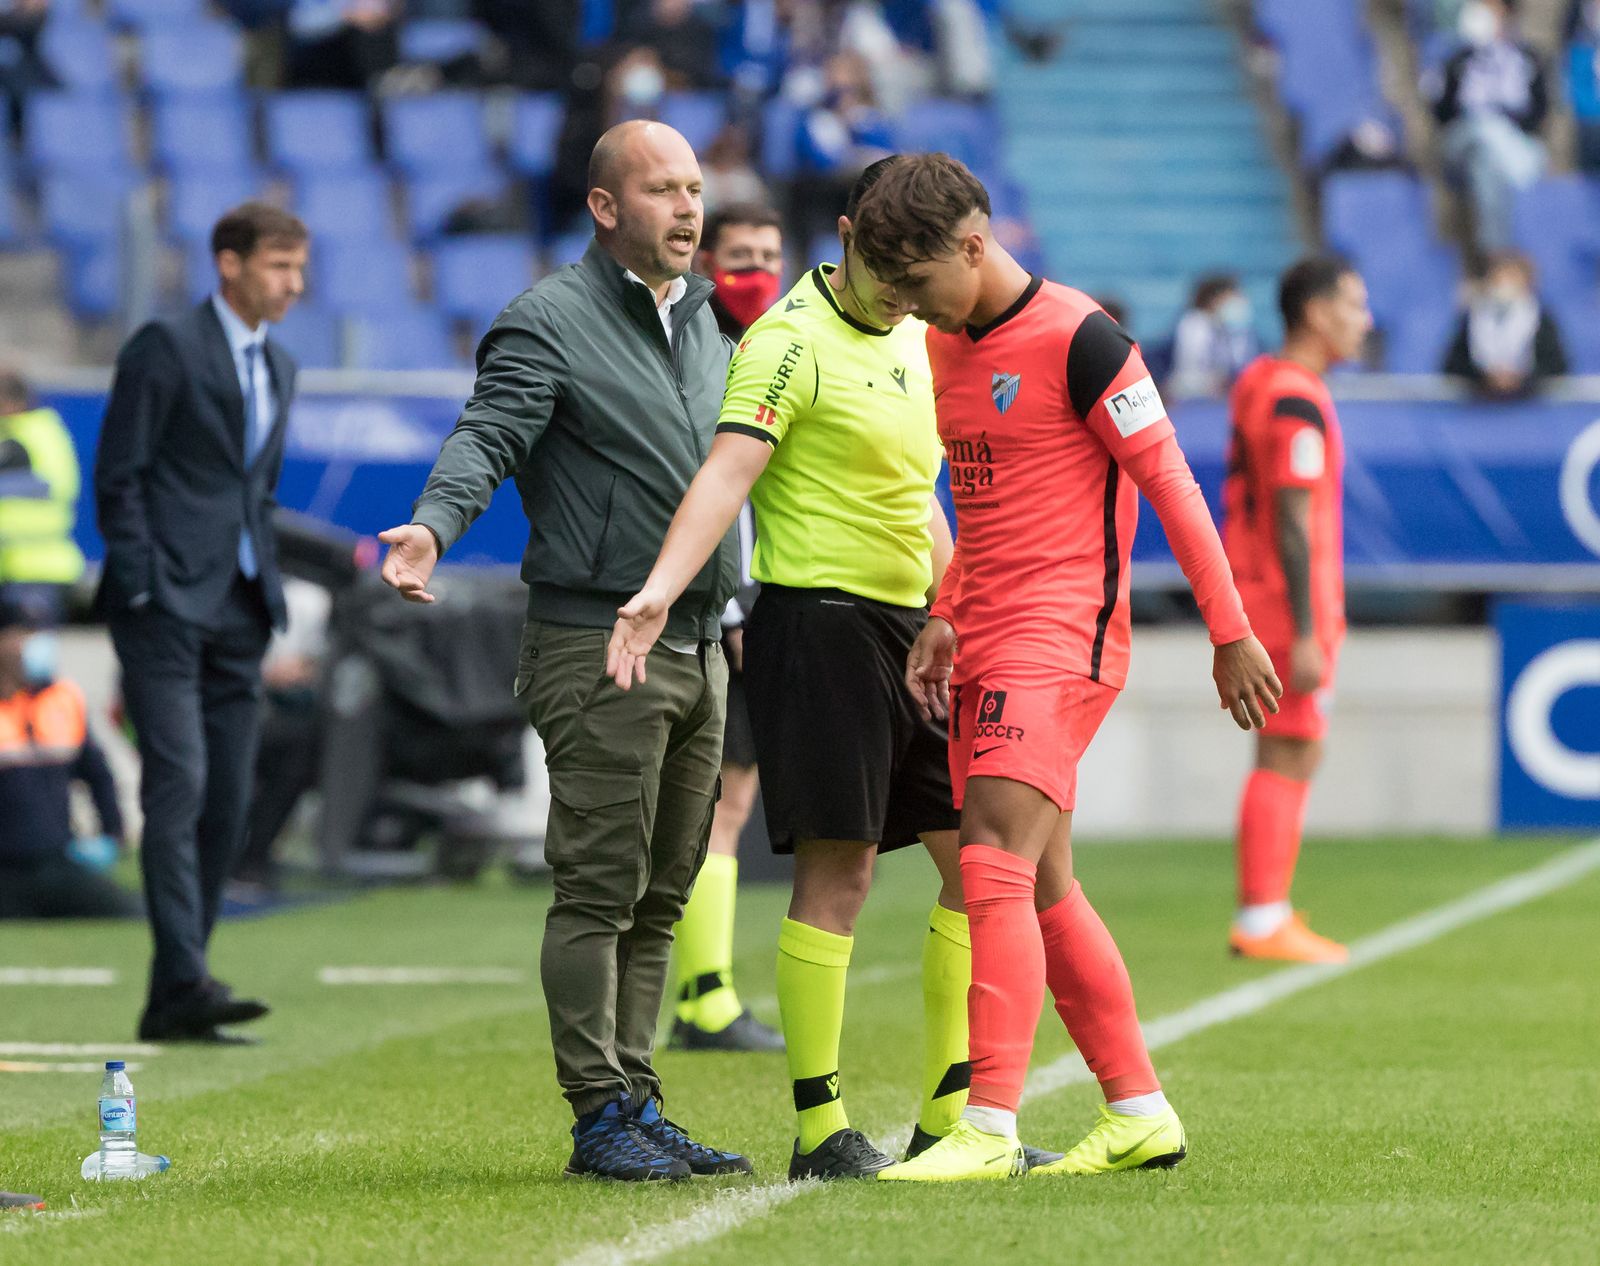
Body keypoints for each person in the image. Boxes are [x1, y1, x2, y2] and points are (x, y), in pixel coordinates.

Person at [607, 159, 1061, 1181]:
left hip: (919, 632)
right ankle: (822, 1128)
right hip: (817, 627)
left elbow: (920, 502)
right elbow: (726, 471)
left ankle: (952, 1117)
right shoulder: (783, 340)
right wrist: (658, 589)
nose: (905, 289)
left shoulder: (918, 336)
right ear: (849, 235)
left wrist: (964, 609)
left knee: (974, 866)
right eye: (888, 266)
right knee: (840, 871)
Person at [844, 153, 1280, 1182]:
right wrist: (946, 615)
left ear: (972, 245)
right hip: (988, 632)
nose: (908, 305)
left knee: (991, 852)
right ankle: (1137, 1110)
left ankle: (985, 1128)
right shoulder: (945, 344)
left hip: (1061, 637)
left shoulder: (1084, 341)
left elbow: (1170, 483)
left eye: (915, 282)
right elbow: (983, 506)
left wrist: (1230, 629)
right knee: (1042, 880)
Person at [380, 120, 750, 1184]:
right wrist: (434, 523)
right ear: (603, 208)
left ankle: (636, 1098)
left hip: (697, 643)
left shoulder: (710, 325)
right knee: (598, 890)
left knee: (663, 892)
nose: (688, 209)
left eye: (693, 189)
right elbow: (486, 436)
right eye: (663, 191)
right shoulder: (547, 321)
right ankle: (598, 1115)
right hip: (597, 642)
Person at [94, 202, 308, 1043]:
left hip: (241, 608)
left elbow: (256, 492)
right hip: (166, 606)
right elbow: (121, 474)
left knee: (228, 798)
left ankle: (176, 994)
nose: (294, 284)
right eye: (278, 266)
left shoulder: (282, 366)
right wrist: (144, 584)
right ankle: (187, 976)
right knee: (178, 786)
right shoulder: (165, 347)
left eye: (298, 268)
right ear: (230, 264)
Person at [1223, 257, 1372, 964]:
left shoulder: (1260, 379)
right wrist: (1309, 630)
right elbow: (1291, 514)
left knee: (1281, 749)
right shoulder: (1296, 397)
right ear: (1316, 311)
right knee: (1294, 748)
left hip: (1260, 596)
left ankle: (1264, 908)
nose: (1363, 319)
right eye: (1353, 303)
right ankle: (1262, 916)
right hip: (1286, 605)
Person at [667, 201, 787, 1054]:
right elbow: (711, 489)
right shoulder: (697, 348)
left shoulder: (769, 341)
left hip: (749, 605)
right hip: (715, 608)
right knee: (711, 803)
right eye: (741, 254)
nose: (757, 269)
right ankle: (700, 995)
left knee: (730, 799)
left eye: (769, 254)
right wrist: (740, 603)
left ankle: (704, 991)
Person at [0, 595, 141, 920]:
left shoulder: (61, 699)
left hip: (56, 863)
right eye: (23, 633)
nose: (34, 643)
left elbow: (97, 773)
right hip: (4, 868)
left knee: (132, 914)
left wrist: (112, 834)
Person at [1429, 0, 1549, 256]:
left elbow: (1540, 112)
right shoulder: (1458, 58)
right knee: (1482, 128)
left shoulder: (1528, 58)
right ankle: (1501, 262)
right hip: (1464, 139)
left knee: (1486, 166)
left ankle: (1494, 254)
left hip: (1511, 147)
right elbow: (1442, 115)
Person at [0, 367, 87, 627]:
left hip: (37, 567)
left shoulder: (34, 434)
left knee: (32, 659)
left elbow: (50, 485)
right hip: (15, 566)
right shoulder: (20, 433)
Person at [1442, 250, 1568, 397]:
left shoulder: (1541, 318)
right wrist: (1485, 377)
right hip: (1481, 406)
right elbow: (1452, 365)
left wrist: (1521, 378)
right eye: (1498, 277)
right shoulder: (1473, 316)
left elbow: (1556, 366)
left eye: (1512, 277)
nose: (1504, 283)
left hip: (1528, 407)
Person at [1167, 273, 1258, 400]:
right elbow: (1191, 368)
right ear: (1214, 299)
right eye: (1232, 296)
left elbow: (1242, 365)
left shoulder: (1235, 328)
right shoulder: (1193, 324)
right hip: (1191, 397)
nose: (1238, 301)